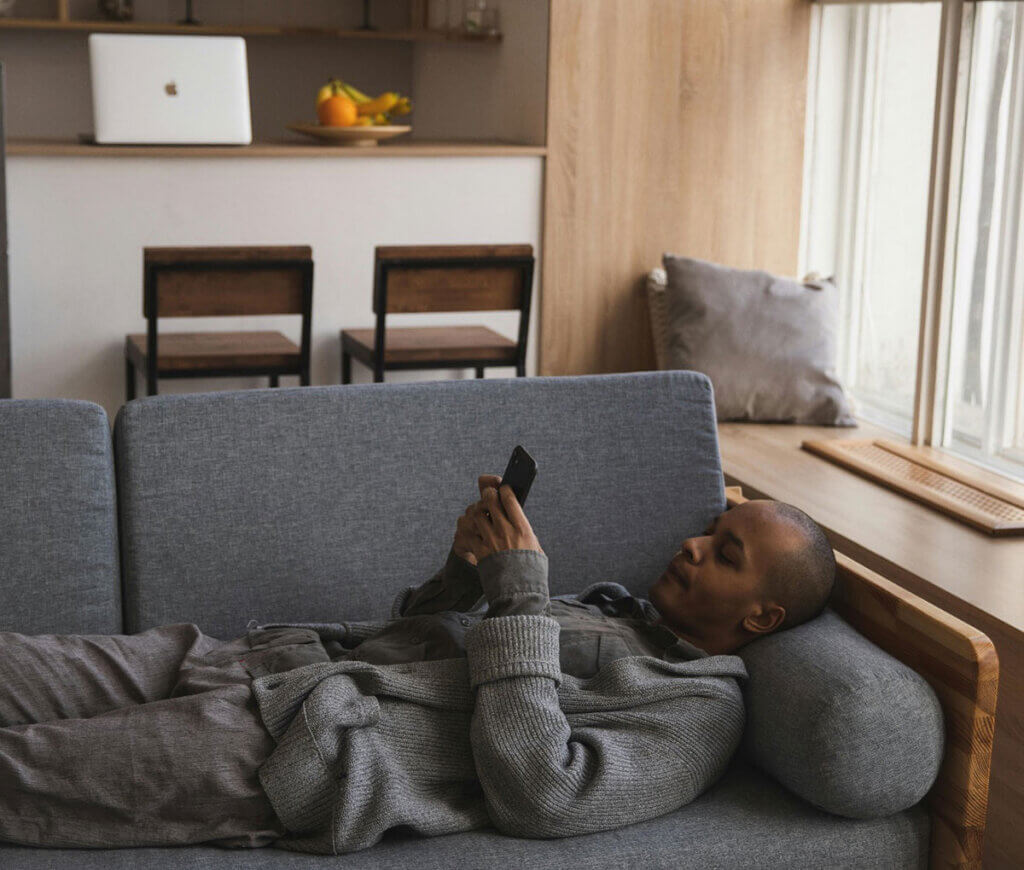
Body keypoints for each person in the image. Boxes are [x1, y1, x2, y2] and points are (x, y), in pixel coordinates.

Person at [0, 476, 835, 854]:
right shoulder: (621, 607)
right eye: (711, 530)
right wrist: (462, 576)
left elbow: (541, 794)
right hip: (258, 660)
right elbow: (425, 648)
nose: (692, 545)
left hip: (298, 746)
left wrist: (519, 598)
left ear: (761, 615)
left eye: (723, 553)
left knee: (23, 771)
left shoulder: (697, 713)